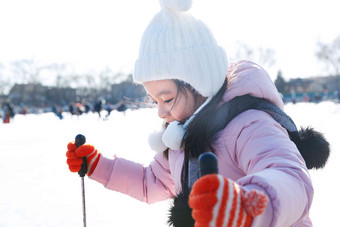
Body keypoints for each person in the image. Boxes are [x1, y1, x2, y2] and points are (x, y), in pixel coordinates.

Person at [66, 0, 329, 226]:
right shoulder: (181, 136)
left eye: (166, 98)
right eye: (153, 100)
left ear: (199, 83)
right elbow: (152, 182)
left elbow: (290, 177)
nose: (160, 111)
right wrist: (99, 166)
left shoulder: (249, 125)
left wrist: (243, 207)